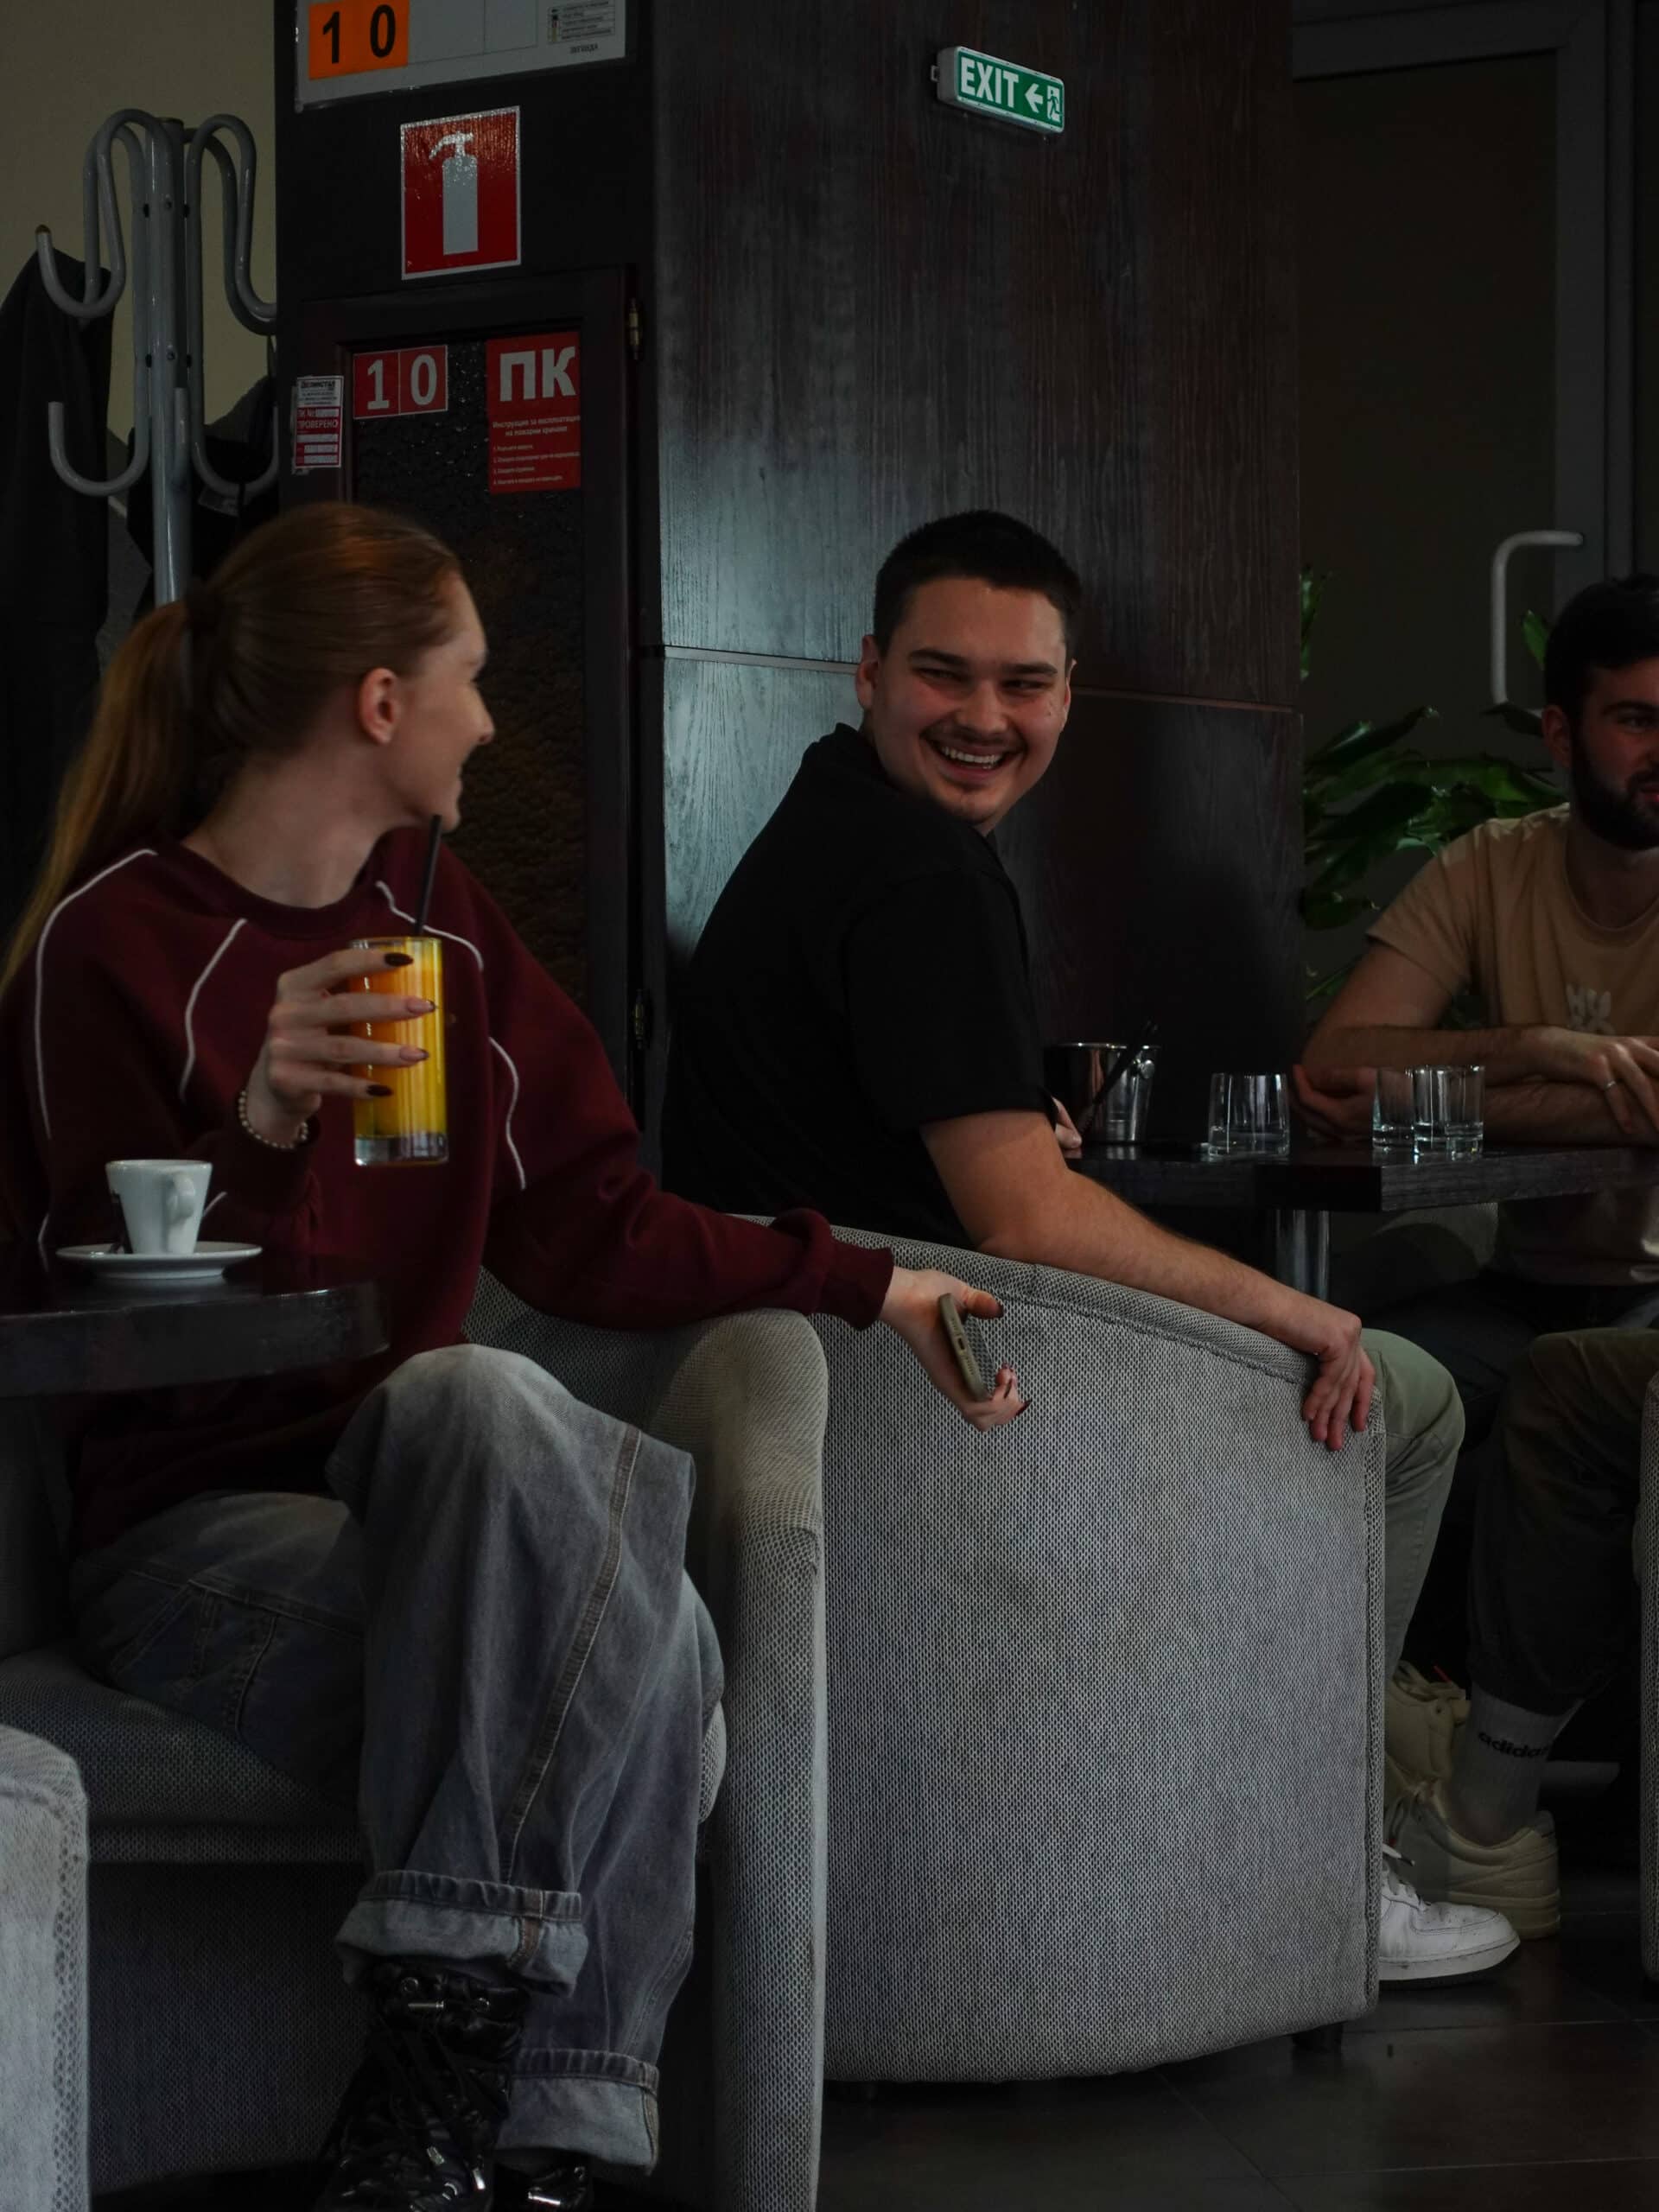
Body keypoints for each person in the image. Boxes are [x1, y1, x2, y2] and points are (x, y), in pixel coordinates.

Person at [0, 502, 1027, 2212]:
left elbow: (599, 1227)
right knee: (649, 1644)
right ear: (382, 704)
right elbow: (68, 1310)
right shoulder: (110, 945)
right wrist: (258, 1123)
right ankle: (560, 2135)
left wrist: (874, 1282)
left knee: (469, 1391)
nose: (492, 721)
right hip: (188, 1540)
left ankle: (437, 2079)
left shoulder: (440, 925)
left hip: (411, 1500)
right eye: (473, 679)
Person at [662, 507, 1516, 1980]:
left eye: (1025, 684)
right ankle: (1318, 1867)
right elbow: (1024, 1220)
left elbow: (909, 1135)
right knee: (1412, 1396)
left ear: (1067, 696)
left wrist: (1009, 1130)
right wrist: (1297, 1315)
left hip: (799, 1360)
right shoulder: (924, 875)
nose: (984, 718)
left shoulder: (833, 820)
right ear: (868, 671)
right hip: (915, 1386)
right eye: (945, 675)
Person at [1299, 573, 1659, 1443]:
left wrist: (1429, 1098)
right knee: (1348, 1396)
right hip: (1523, 1290)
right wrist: (1541, 1047)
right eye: (1637, 720)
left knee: (1556, 1390)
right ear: (1561, 734)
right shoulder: (1492, 865)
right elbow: (1333, 1065)